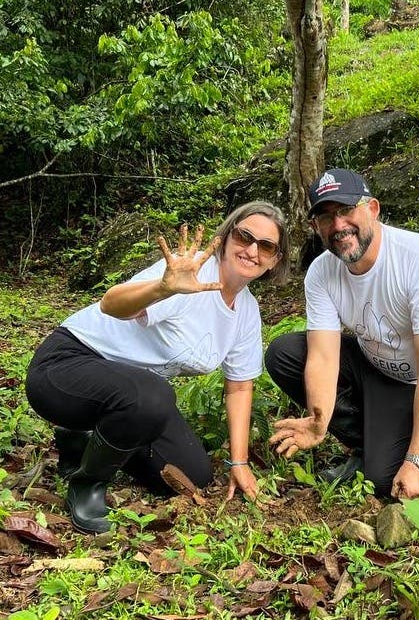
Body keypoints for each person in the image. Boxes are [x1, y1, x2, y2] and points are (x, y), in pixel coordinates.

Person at [25, 201, 289, 533]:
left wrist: (239, 462)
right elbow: (111, 303)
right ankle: (87, 483)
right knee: (153, 395)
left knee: (193, 474)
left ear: (274, 260)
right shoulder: (189, 274)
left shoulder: (246, 312)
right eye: (244, 236)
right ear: (224, 237)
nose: (252, 250)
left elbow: (239, 385)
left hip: (129, 393)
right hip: (67, 366)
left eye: (266, 246)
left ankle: (84, 440)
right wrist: (162, 288)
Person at [265, 168, 419, 499]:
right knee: (285, 353)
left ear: (372, 209)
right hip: (375, 364)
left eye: (346, 211)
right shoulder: (321, 271)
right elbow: (322, 356)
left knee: (384, 480)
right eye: (325, 217)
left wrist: (417, 461)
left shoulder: (418, 258)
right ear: (314, 226)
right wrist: (320, 421)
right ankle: (371, 441)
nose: (337, 226)